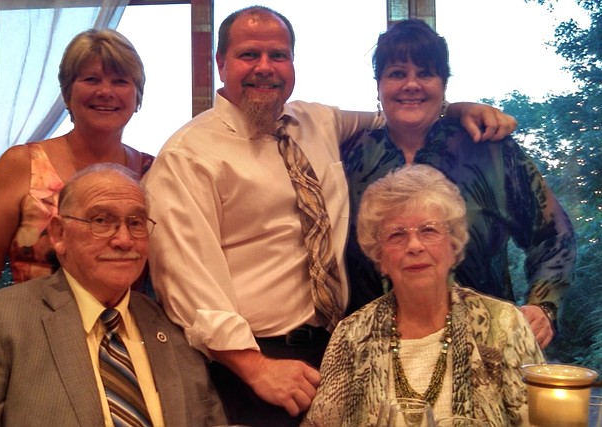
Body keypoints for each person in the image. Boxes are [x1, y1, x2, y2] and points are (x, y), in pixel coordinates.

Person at [143, 6, 517, 426]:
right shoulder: (187, 156)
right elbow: (186, 283)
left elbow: (397, 114)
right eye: (250, 55)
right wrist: (255, 367)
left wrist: (458, 107)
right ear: (220, 63)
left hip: (337, 350)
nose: (265, 67)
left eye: (278, 55)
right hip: (249, 368)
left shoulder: (315, 120)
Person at [0, 28, 154, 387]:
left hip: (122, 347)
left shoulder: (152, 173)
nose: (106, 92)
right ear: (67, 93)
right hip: (24, 342)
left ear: (137, 96)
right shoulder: (22, 164)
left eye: (121, 81)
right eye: (91, 79)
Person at [0, 164, 227, 426]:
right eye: (100, 221)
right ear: (59, 234)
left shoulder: (171, 324)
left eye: (136, 223)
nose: (124, 239)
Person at [342, 19, 576, 348]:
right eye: (397, 73)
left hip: (486, 351)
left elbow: (554, 236)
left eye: (425, 73)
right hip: (372, 352)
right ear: (379, 84)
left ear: (444, 84)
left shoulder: (490, 150)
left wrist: (542, 304)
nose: (412, 84)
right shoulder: (348, 156)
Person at [302, 164, 544, 427]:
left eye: (429, 230)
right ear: (380, 258)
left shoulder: (504, 325)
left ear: (453, 247)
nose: (414, 245)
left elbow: (541, 422)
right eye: (396, 234)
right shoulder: (351, 335)